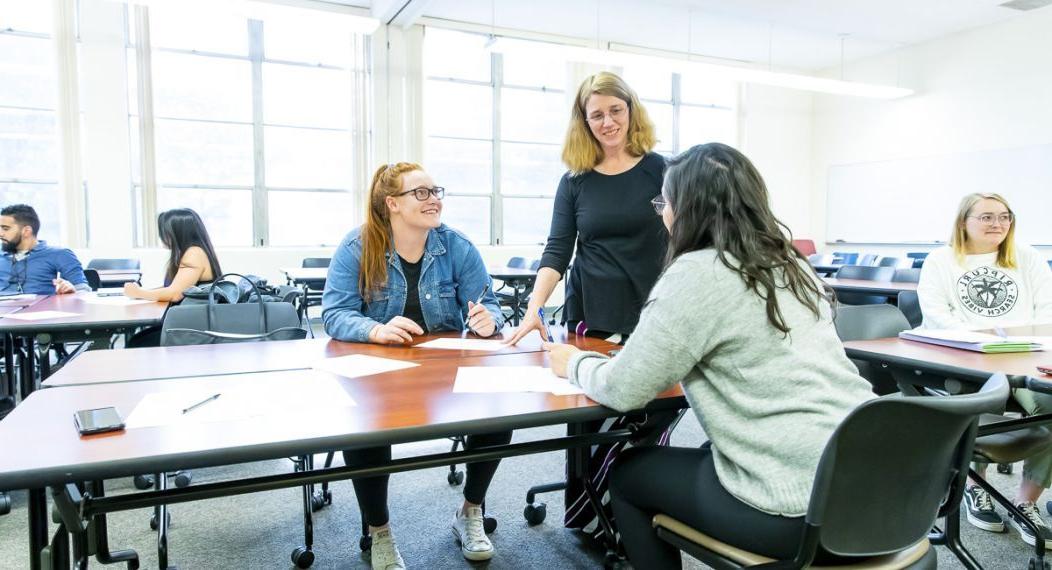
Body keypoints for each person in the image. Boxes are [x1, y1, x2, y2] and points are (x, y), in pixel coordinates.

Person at [545, 143, 874, 568]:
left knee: (628, 472)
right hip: (877, 490)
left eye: (664, 201)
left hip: (797, 508)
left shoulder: (698, 272)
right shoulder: (791, 263)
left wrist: (572, 362)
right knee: (701, 450)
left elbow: (624, 390)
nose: (662, 213)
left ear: (686, 208)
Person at [322, 162, 507, 569]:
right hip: (376, 371)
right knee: (366, 429)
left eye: (435, 190)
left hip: (442, 371)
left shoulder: (456, 246)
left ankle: (470, 511)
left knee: (497, 413)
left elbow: (489, 303)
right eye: (421, 192)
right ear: (393, 204)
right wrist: (374, 329)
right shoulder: (357, 247)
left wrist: (487, 319)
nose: (434, 199)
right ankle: (379, 531)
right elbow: (334, 314)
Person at [918, 192, 1052, 547]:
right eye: (987, 217)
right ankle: (976, 489)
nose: (998, 224)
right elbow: (935, 313)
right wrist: (978, 341)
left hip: (1024, 356)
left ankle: (1026, 502)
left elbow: (1047, 309)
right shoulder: (941, 260)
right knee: (978, 400)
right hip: (967, 358)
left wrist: (1030, 346)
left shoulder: (1026, 257)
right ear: (964, 221)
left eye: (1005, 217)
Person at [504, 70, 666, 346]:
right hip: (592, 315)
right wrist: (535, 309)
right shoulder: (574, 182)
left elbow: (688, 237)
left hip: (654, 310)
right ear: (585, 121)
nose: (608, 122)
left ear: (631, 109)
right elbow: (557, 251)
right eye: (597, 115)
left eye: (616, 110)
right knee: (583, 389)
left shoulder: (662, 171)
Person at [123, 208, 223, 302]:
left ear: (177, 233)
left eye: (164, 232)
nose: (161, 236)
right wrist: (141, 292)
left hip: (195, 316)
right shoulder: (190, 252)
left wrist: (138, 293)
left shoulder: (194, 253)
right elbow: (170, 288)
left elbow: (175, 294)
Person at [0, 204, 89, 295]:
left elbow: (83, 290)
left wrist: (71, 289)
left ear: (26, 231)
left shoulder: (60, 254)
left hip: (40, 308)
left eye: (5, 229)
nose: (1, 233)